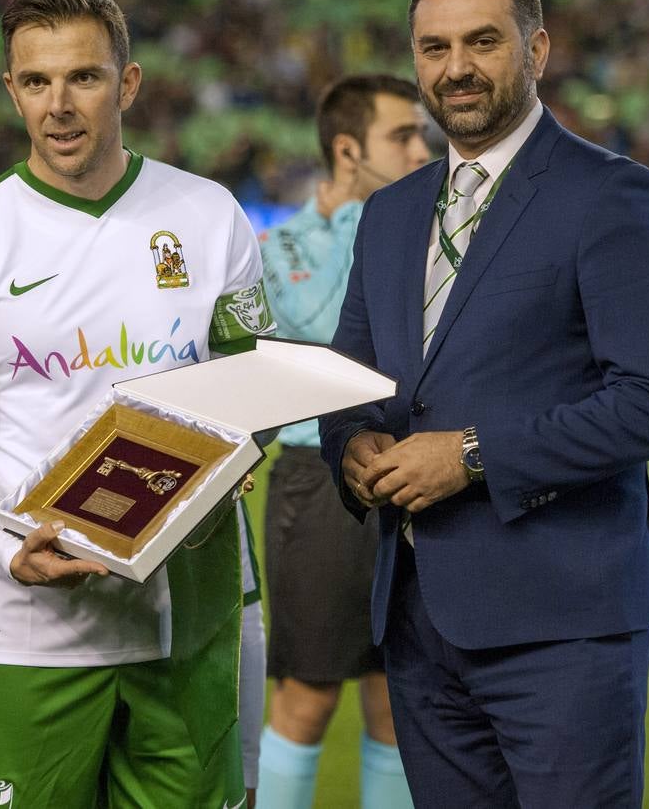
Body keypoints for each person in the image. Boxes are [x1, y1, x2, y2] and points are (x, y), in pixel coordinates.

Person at [319, 0, 649, 807]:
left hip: (563, 627)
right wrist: (352, 446)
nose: (456, 68)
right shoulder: (389, 213)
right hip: (417, 622)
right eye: (434, 47)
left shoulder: (611, 195)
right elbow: (354, 382)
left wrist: (474, 454)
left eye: (482, 42)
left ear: (537, 49)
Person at [0, 0, 274, 809]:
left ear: (128, 83)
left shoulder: (210, 217)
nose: (58, 105)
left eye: (84, 77)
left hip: (187, 625)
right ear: (11, 90)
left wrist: (245, 447)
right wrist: (8, 550)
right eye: (35, 81)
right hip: (32, 630)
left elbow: (251, 391)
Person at [256, 75, 429, 809]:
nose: (425, 149)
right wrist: (369, 221)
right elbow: (336, 334)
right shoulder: (278, 246)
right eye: (404, 136)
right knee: (309, 695)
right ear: (348, 150)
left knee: (396, 697)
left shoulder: (433, 230)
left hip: (409, 471)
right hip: (313, 478)